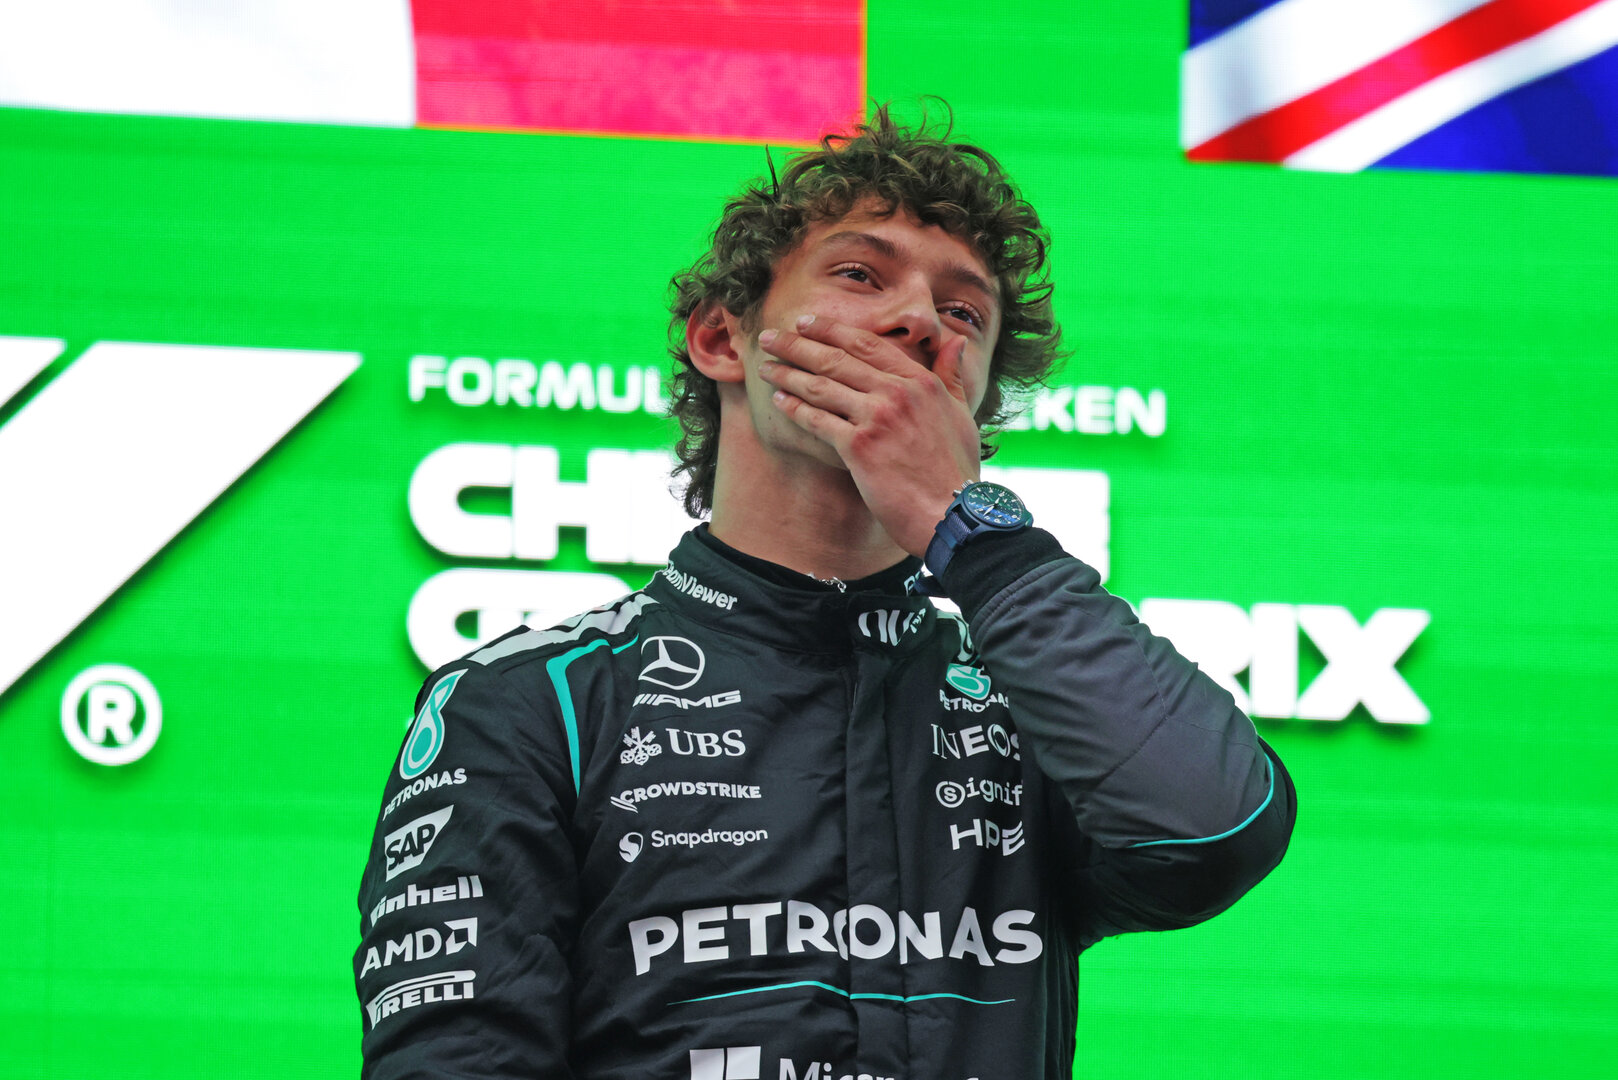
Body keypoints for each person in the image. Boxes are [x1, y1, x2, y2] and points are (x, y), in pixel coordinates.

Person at [354, 105, 1296, 1080]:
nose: (921, 321)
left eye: (964, 313)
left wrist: (965, 521)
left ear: (973, 399)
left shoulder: (1033, 703)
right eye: (859, 274)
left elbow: (1215, 829)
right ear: (722, 340)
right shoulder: (533, 700)